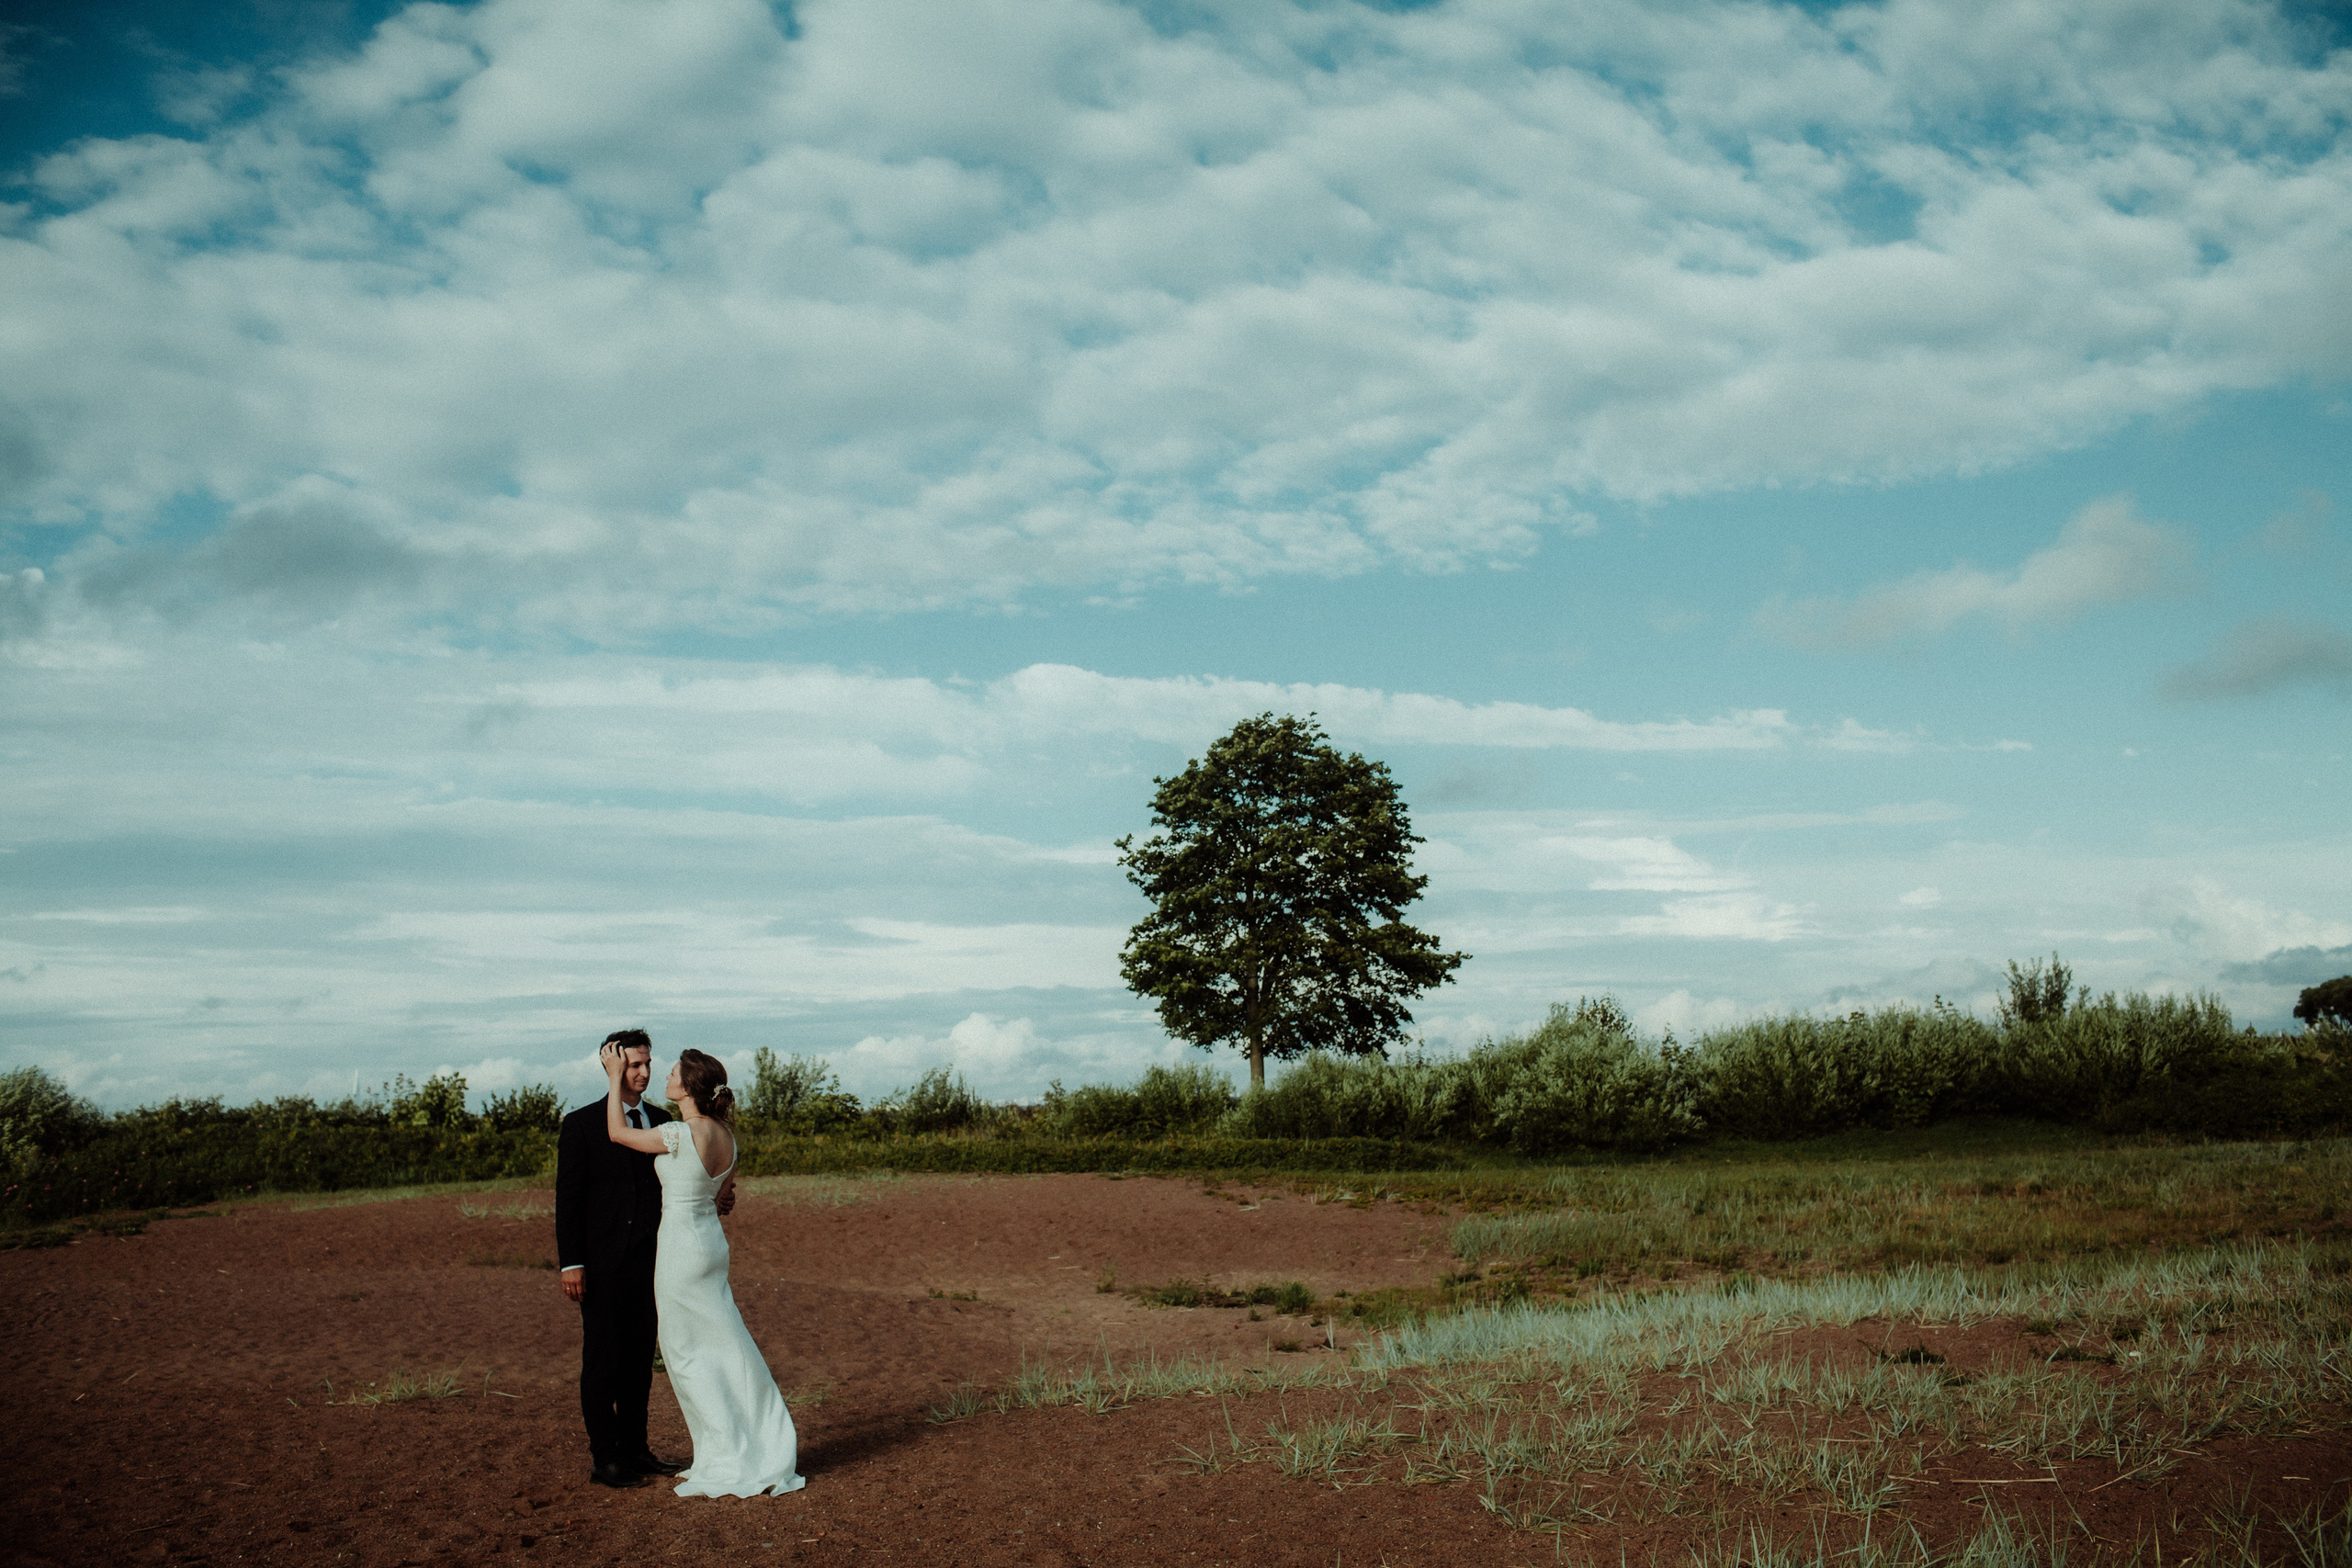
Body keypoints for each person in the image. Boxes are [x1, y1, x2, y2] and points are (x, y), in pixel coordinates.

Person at [601, 1040, 806, 1498]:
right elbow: (720, 1200)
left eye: (672, 1072)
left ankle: (726, 1454)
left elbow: (617, 1133)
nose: (665, 1076)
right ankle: (744, 1445)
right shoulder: (726, 1137)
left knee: (688, 1355)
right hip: (709, 1244)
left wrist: (615, 1078)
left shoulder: (679, 1132)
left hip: (680, 1251)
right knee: (723, 1343)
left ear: (689, 1086)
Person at [554, 1029, 734, 1489]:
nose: (644, 1072)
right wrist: (571, 1262)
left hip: (657, 1262)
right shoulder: (580, 1125)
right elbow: (568, 1200)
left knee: (638, 1361)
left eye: (648, 1063)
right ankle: (605, 1458)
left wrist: (715, 1199)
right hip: (600, 1263)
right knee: (601, 1361)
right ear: (612, 1066)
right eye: (633, 1064)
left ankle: (637, 1449)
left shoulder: (662, 1120)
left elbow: (684, 1183)